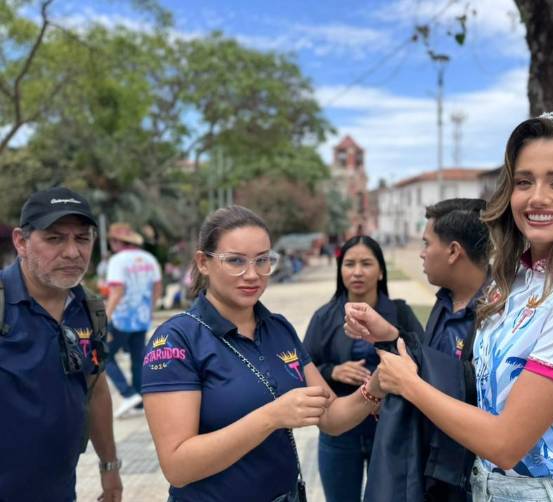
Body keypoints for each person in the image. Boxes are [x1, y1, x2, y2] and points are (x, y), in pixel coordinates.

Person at [358, 111, 553, 501]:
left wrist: (410, 384)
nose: (537, 197)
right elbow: (476, 382)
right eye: (524, 182)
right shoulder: (518, 278)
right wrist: (395, 341)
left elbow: (507, 443)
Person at [141, 205, 386, 502]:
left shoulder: (278, 328)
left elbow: (331, 417)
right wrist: (272, 416)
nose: (252, 275)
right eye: (235, 261)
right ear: (203, 263)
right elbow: (178, 466)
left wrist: (374, 387)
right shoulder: (176, 339)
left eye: (263, 260)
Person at [343, 198, 491, 501]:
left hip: (468, 479)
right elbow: (432, 366)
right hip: (432, 470)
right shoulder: (444, 302)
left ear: (453, 252)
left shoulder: (497, 313)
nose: (421, 253)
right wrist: (390, 336)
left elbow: (473, 391)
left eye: (426, 243)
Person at [0, 187, 123, 501]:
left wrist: (110, 469)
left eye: (82, 238)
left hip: (58, 488)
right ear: (21, 241)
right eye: (55, 238)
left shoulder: (90, 311)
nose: (72, 252)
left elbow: (95, 388)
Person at [303, 235, 423, 502]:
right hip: (340, 433)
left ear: (381, 271)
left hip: (391, 430)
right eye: (349, 264)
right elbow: (301, 369)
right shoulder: (324, 317)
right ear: (340, 270)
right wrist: (333, 371)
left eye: (366, 263)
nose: (357, 272)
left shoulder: (400, 313)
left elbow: (424, 361)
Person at [104, 222, 162, 418]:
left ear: (117, 241)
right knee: (138, 359)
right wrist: (150, 309)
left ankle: (127, 394)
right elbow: (157, 288)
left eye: (112, 240)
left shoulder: (117, 260)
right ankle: (139, 399)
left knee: (103, 355)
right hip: (141, 317)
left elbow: (117, 290)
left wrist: (105, 317)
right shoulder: (149, 259)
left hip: (122, 317)